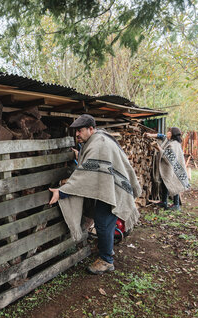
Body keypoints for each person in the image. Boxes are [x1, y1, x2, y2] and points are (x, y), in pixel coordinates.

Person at [49, 115, 141, 275]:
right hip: (112, 188)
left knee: (103, 223)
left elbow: (85, 174)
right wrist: (81, 156)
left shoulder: (99, 144)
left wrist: (63, 191)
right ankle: (107, 251)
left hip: (112, 191)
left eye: (80, 130)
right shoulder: (99, 139)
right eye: (76, 131)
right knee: (106, 222)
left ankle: (106, 261)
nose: (77, 134)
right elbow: (93, 163)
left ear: (91, 128)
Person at [145, 127, 190, 211]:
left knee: (174, 183)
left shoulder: (173, 145)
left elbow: (167, 157)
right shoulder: (170, 141)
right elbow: (161, 136)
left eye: (169, 132)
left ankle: (176, 205)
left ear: (172, 134)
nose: (167, 133)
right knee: (165, 183)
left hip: (173, 169)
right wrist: (150, 135)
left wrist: (158, 148)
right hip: (170, 167)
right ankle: (164, 202)